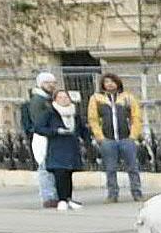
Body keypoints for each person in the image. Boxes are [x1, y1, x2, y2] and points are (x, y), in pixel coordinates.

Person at [21, 74, 83, 210]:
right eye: (47, 82)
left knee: (64, 171)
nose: (51, 85)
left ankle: (62, 197)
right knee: (46, 168)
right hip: (46, 140)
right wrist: (54, 131)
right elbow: (38, 123)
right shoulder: (39, 100)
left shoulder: (47, 100)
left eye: (53, 82)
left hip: (62, 143)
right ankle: (50, 197)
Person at [86, 73, 147, 202]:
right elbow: (93, 119)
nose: (109, 84)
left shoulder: (127, 98)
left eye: (112, 81)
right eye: (107, 82)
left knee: (133, 167)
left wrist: (133, 136)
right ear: (103, 84)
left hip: (126, 138)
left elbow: (136, 117)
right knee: (110, 168)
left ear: (117, 83)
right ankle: (112, 194)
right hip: (107, 139)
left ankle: (137, 192)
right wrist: (100, 137)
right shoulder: (96, 98)